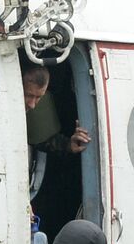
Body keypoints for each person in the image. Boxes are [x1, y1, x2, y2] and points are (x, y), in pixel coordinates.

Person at [23, 62, 90, 199]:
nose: (32, 104)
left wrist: (67, 145)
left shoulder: (32, 111)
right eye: (28, 95)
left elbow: (39, 139)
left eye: (38, 97)